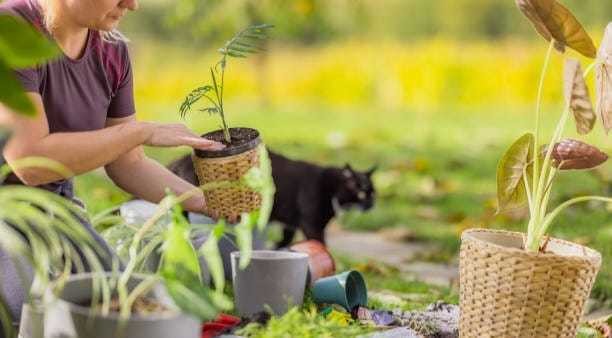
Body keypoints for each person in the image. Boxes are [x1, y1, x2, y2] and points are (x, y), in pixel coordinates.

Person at [0, 0, 224, 329]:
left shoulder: (111, 50)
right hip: (8, 211)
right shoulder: (11, 30)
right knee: (29, 319)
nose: (131, 5)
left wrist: (211, 202)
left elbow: (128, 163)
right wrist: (140, 131)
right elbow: (30, 163)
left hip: (56, 210)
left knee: (116, 309)